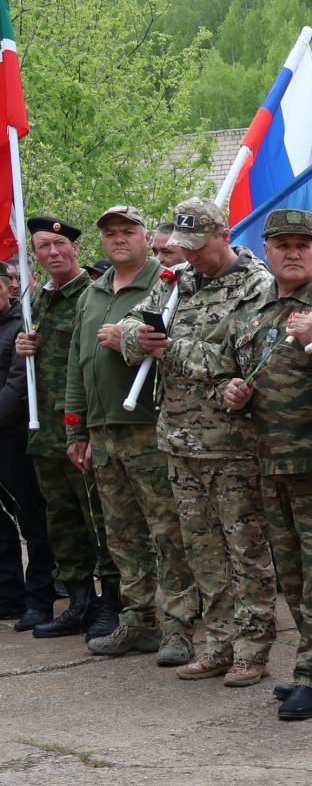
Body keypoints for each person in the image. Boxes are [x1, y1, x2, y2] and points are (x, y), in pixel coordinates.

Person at [122, 198, 277, 687]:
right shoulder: (178, 281)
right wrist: (136, 339)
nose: (190, 257)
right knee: (202, 550)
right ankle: (219, 643)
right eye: (181, 249)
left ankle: (252, 648)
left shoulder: (256, 285)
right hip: (178, 441)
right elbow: (131, 324)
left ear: (223, 234)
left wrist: (170, 347)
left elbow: (246, 357)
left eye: (198, 247)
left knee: (245, 551)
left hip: (230, 444)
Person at [217, 210, 312, 718]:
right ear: (268, 250)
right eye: (282, 244)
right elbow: (229, 372)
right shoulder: (249, 311)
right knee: (294, 577)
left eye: (304, 243)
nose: (293, 252)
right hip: (270, 463)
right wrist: (230, 391)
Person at [62, 206, 199, 663]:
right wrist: (75, 426)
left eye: (128, 231)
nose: (118, 239)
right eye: (110, 233)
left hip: (149, 427)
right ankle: (137, 620)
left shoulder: (168, 284)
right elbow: (76, 365)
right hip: (103, 432)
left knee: (168, 531)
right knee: (122, 535)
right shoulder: (93, 291)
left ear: (145, 237)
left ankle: (178, 627)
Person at [12, 217, 116, 639]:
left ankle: (113, 604)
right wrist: (25, 347)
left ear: (75, 248)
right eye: (43, 246)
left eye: (59, 244)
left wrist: (86, 430)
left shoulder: (92, 295)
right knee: (63, 522)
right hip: (45, 432)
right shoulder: (37, 298)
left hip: (80, 427)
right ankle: (79, 603)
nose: (52, 253)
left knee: (100, 520)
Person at [0, 279, 55, 629]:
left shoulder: (22, 328)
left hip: (14, 439)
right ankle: (8, 595)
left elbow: (18, 385)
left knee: (32, 522)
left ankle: (39, 597)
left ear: (6, 288)